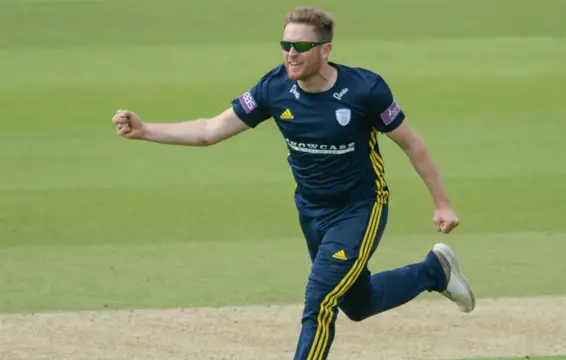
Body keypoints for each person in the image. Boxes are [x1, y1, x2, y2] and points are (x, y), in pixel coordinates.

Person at [111, 6, 475, 360]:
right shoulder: (274, 89)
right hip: (311, 210)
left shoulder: (365, 89)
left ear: (325, 50)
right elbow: (211, 130)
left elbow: (412, 145)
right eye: (285, 45)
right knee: (357, 302)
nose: (291, 54)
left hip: (360, 208)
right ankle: (434, 271)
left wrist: (441, 202)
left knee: (319, 301)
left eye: (301, 46)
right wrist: (145, 131)